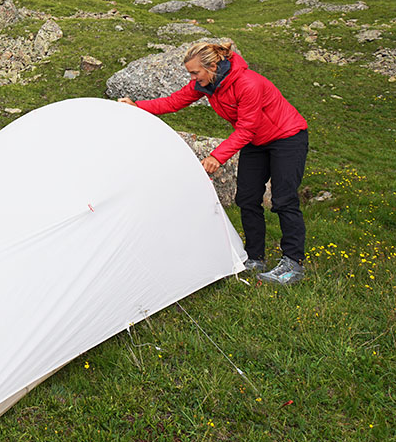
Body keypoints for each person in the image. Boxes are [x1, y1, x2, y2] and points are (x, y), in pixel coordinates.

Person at [118, 41, 309, 285]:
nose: (193, 78)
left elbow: (247, 128)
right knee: (247, 198)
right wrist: (138, 107)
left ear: (212, 66)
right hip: (255, 141)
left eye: (195, 72)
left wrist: (217, 157)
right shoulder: (208, 84)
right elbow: (175, 101)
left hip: (287, 138)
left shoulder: (248, 83)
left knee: (284, 200)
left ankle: (293, 263)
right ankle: (254, 257)